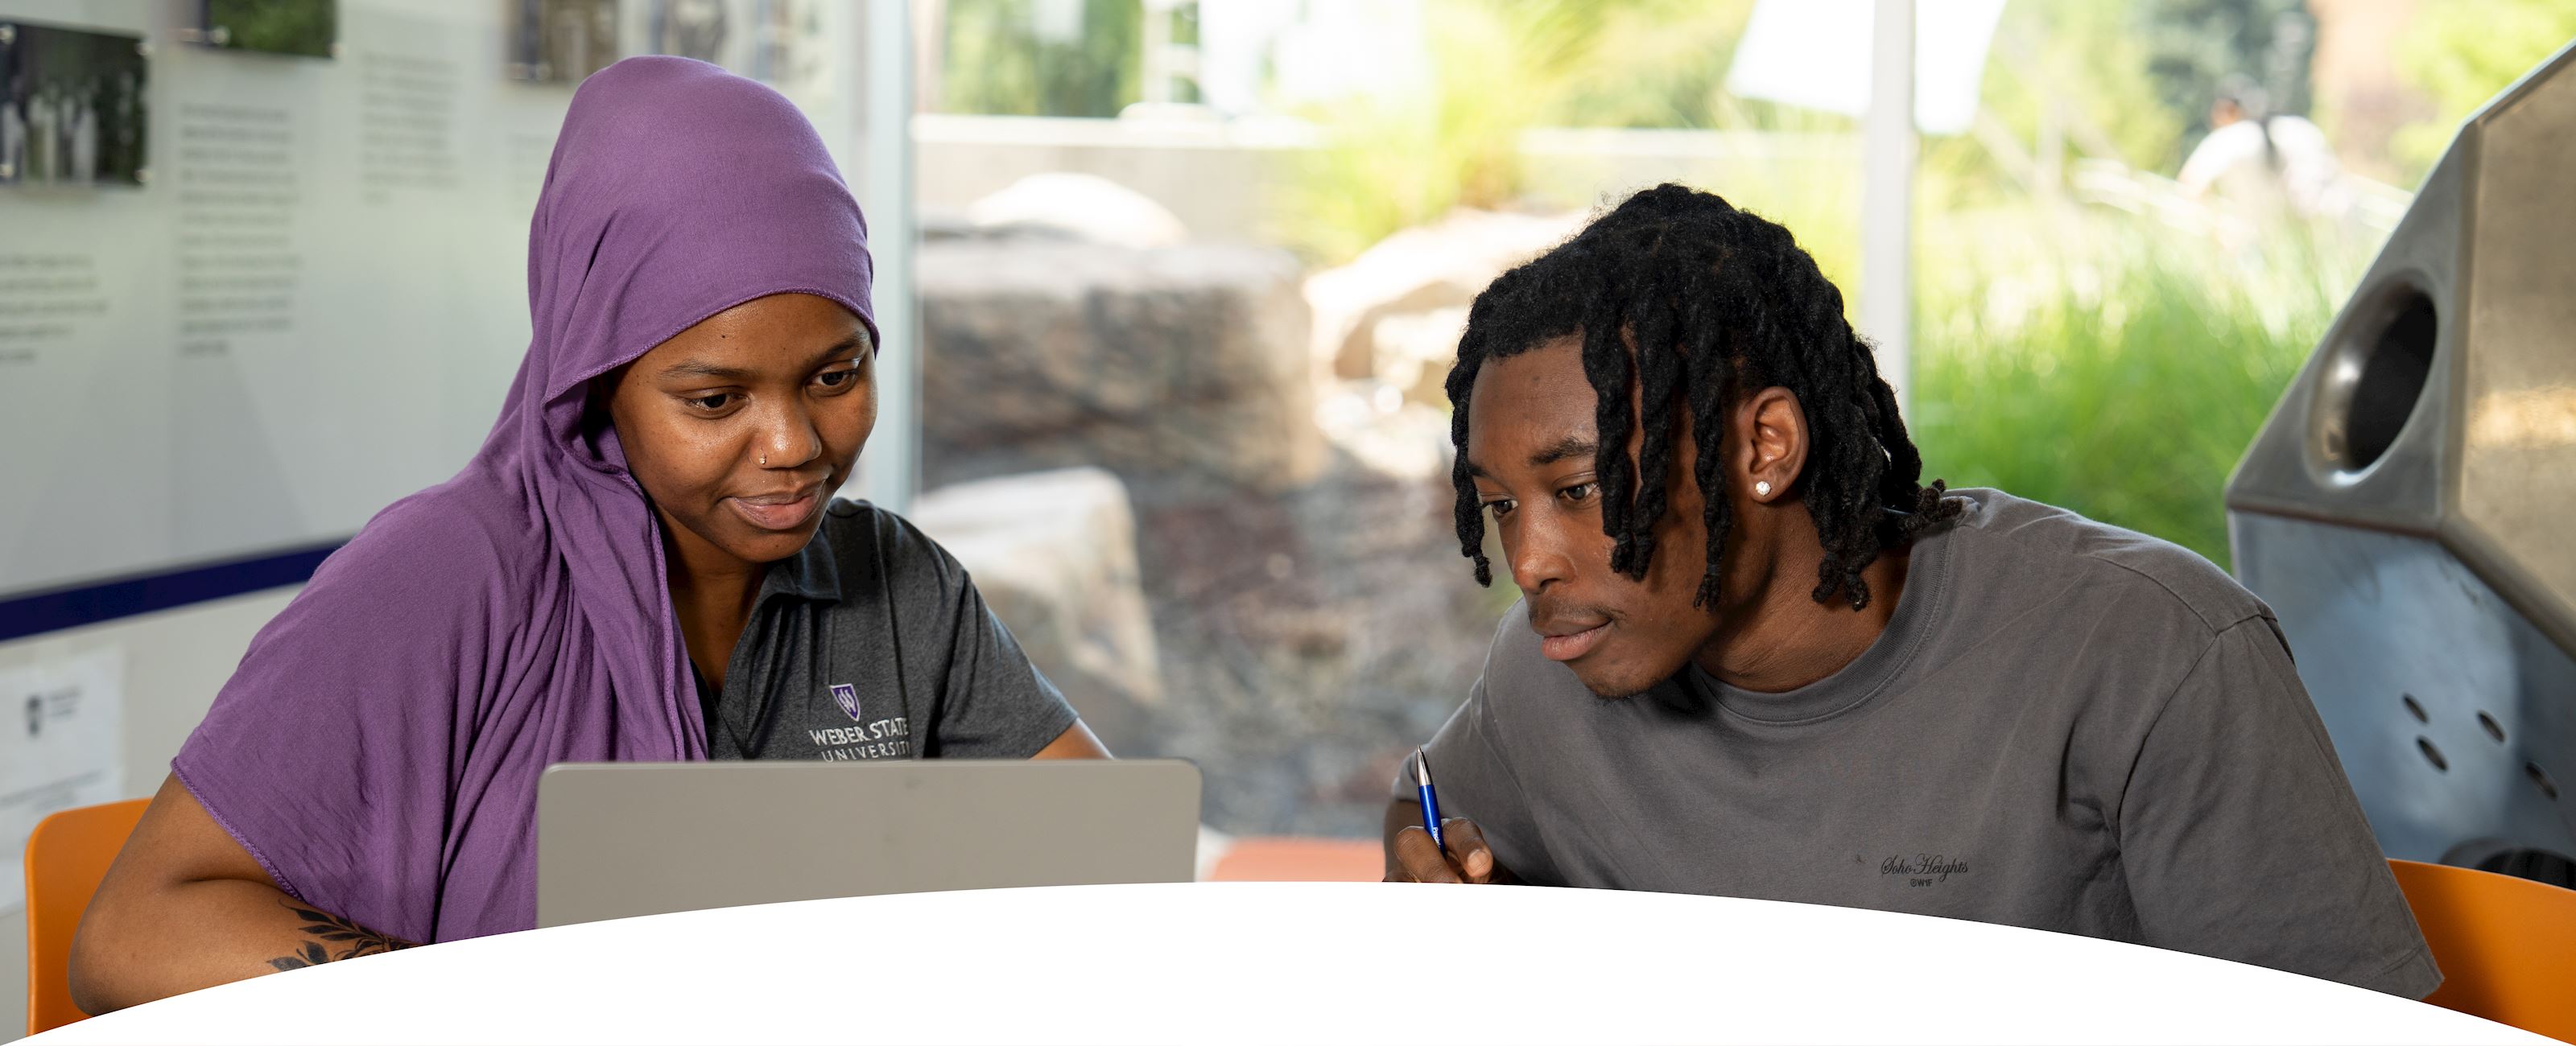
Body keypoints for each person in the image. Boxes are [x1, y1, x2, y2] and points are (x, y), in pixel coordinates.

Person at [70, 56, 1107, 1013]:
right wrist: (515, 1004)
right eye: (714, 399)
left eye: (834, 375)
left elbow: (1107, 860)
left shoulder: (897, 585)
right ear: (595, 382)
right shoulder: (443, 579)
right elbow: (129, 935)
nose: (792, 445)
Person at [1383, 184, 2440, 999]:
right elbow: (1430, 818)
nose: (1530, 563)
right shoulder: (1555, 668)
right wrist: (1424, 864)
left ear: (1766, 445)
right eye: (1500, 506)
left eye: (1576, 488)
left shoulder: (2148, 653)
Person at [2178, 76, 2344, 220]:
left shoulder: (2233, 138)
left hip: (2303, 227)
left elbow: (2191, 185)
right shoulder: (2297, 130)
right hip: (2335, 224)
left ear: (2226, 110)